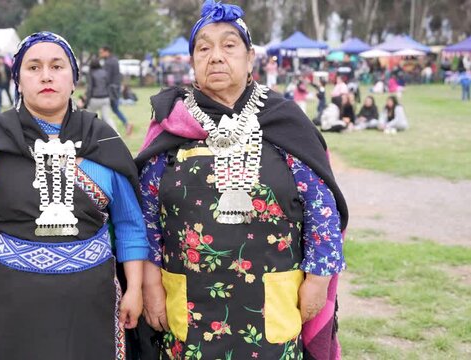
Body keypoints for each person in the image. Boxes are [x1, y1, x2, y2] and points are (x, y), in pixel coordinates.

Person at [136, 1, 348, 359]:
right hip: (190, 304)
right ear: (192, 63)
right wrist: (151, 283)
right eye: (204, 47)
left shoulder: (285, 122)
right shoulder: (173, 124)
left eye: (229, 45)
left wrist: (318, 280)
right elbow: (145, 214)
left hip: (272, 301)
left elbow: (321, 208)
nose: (215, 56)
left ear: (251, 59)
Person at [0, 31, 149, 360]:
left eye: (57, 66)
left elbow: (130, 223)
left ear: (73, 79)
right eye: (33, 67)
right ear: (17, 79)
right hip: (13, 305)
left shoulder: (103, 141)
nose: (46, 76)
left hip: (93, 304)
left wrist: (135, 289)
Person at [99, 46, 133, 135]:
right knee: (112, 108)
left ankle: (126, 124)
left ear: (107, 51)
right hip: (115, 88)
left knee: (107, 108)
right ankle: (126, 124)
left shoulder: (109, 62)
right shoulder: (114, 60)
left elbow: (107, 77)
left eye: (102, 52)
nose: (100, 54)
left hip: (110, 89)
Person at [85, 58, 116, 129]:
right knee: (106, 118)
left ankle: (89, 133)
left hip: (94, 98)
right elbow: (108, 86)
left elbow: (90, 88)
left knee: (89, 118)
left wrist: (86, 101)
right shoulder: (105, 72)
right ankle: (115, 132)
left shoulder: (91, 73)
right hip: (105, 98)